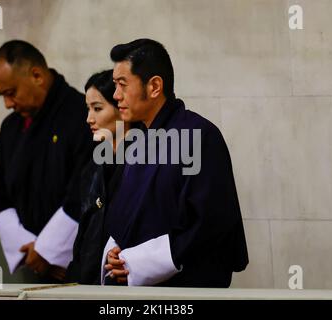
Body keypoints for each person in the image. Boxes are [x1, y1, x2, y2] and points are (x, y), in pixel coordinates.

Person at [102, 39, 249, 287]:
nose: (116, 95)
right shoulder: (136, 142)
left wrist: (137, 263)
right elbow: (123, 212)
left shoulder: (200, 135)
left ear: (155, 86)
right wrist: (115, 251)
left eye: (122, 85)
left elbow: (209, 223)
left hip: (187, 288)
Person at [0, 40, 92, 282]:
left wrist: (48, 250)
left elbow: (86, 190)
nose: (7, 104)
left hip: (74, 265)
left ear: (37, 75)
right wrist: (27, 248)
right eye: (2, 96)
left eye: (11, 93)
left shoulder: (82, 116)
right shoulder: (10, 128)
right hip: (31, 263)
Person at [65, 70, 130, 285]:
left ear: (121, 108)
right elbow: (85, 231)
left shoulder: (144, 163)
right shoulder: (94, 165)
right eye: (88, 109)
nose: (89, 119)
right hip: (89, 279)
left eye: (97, 109)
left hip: (123, 280)